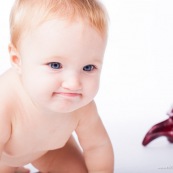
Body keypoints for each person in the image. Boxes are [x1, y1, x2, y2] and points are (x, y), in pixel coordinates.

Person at [0, 0, 114, 172]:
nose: (73, 84)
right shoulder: (5, 101)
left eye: (88, 68)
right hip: (5, 154)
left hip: (49, 149)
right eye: (55, 65)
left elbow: (97, 146)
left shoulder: (81, 105)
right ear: (18, 60)